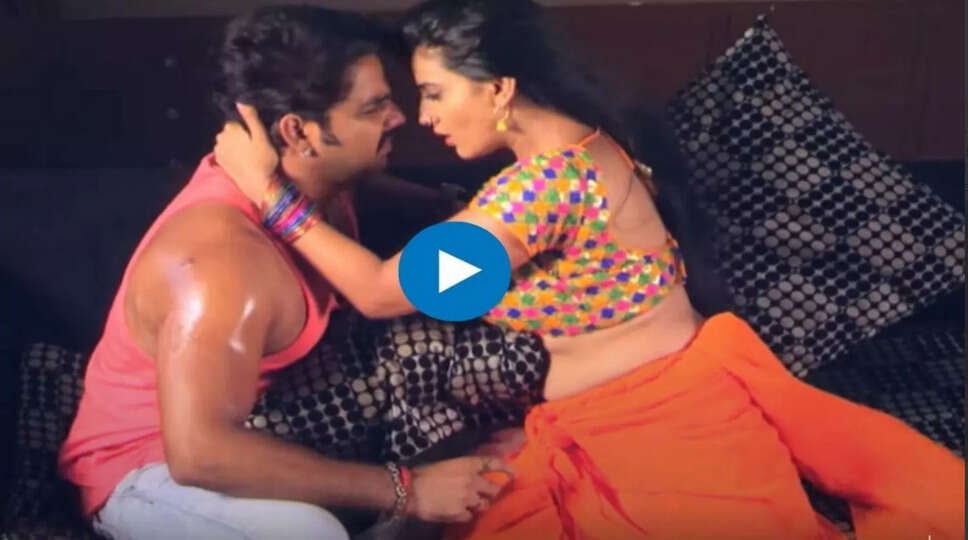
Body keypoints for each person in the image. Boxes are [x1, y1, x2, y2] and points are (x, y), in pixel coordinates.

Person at [213, 1, 965, 538]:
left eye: (437, 93)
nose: (425, 117)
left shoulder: (541, 189)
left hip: (664, 431)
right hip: (646, 410)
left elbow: (381, 294)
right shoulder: (584, 148)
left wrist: (269, 193)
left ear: (499, 89)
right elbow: (471, 247)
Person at [58, 7, 521, 540]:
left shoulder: (327, 185)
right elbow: (198, 453)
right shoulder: (220, 262)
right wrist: (407, 489)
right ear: (298, 132)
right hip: (146, 470)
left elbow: (418, 237)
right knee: (308, 531)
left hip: (251, 428)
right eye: (374, 107)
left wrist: (480, 212)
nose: (401, 116)